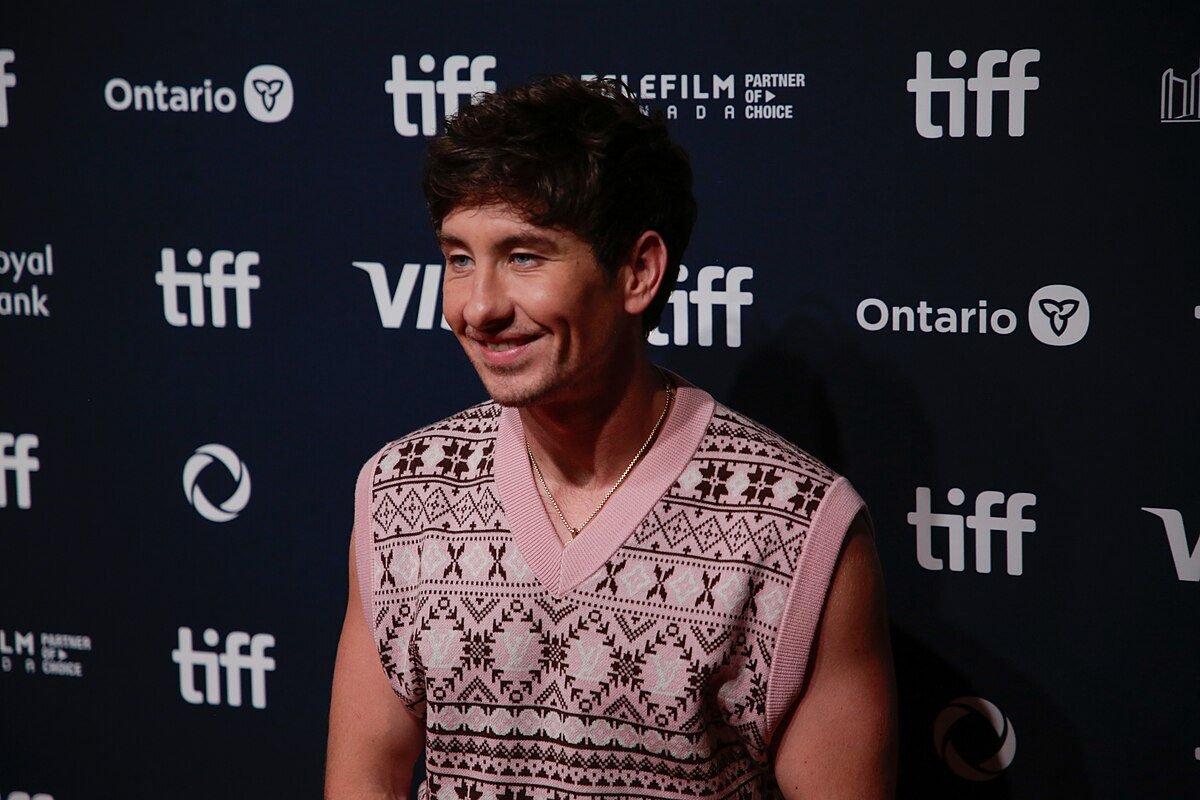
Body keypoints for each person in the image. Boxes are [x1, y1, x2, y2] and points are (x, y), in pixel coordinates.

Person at [326, 75, 897, 800]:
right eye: (459, 258)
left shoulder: (798, 526)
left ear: (638, 271)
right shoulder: (399, 491)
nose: (479, 306)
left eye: (525, 257)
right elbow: (364, 774)